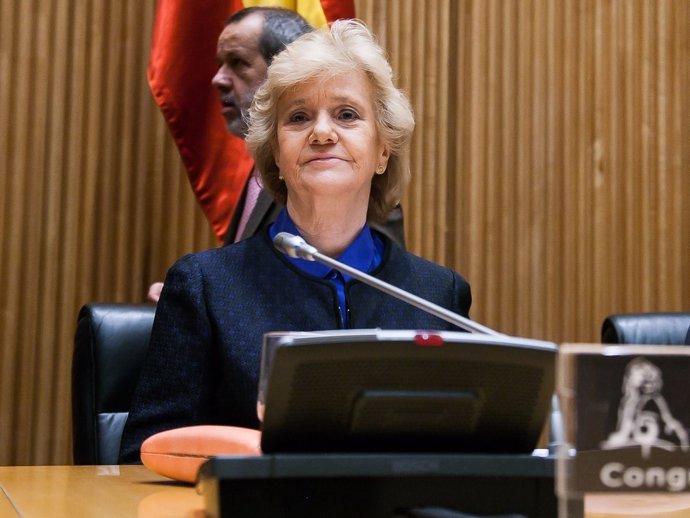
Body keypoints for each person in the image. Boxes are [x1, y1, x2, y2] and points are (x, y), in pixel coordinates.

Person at [120, 19, 472, 463]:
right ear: (277, 158)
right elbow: (141, 457)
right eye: (299, 117)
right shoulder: (204, 286)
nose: (322, 133)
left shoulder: (439, 294)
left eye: (347, 114)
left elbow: (461, 457)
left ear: (383, 150)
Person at [147, 7, 405, 302]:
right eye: (299, 118)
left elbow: (383, 297)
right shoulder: (269, 164)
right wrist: (201, 306)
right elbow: (241, 280)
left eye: (238, 63)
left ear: (283, 67)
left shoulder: (348, 180)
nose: (217, 79)